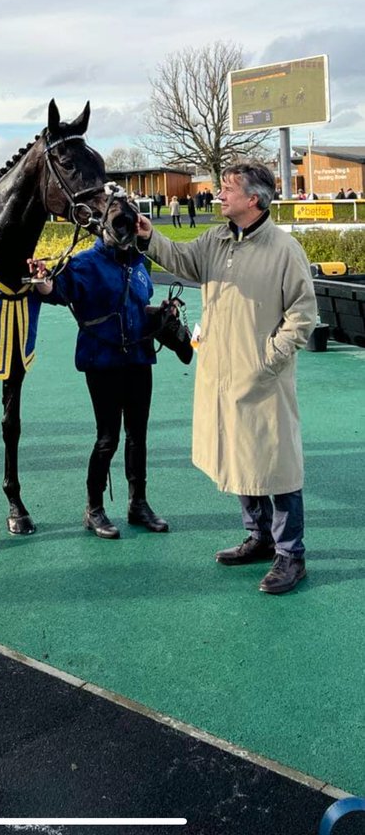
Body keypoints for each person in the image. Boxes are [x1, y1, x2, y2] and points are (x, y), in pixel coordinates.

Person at [135, 160, 317, 595]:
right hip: (219, 374)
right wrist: (148, 235)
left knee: (278, 466)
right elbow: (181, 259)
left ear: (252, 199)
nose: (219, 195)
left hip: (263, 378)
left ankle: (291, 555)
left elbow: (303, 314)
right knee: (238, 456)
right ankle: (259, 537)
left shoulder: (284, 250)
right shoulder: (215, 239)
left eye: (228, 190)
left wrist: (268, 360)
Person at [28, 227, 168, 540]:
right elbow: (56, 292)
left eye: (128, 225)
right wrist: (42, 279)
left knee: (138, 435)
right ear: (101, 227)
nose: (123, 232)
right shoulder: (85, 263)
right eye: (116, 225)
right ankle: (94, 508)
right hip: (102, 362)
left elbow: (141, 303)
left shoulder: (139, 262)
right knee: (108, 438)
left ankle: (138, 504)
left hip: (139, 359)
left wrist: (162, 316)